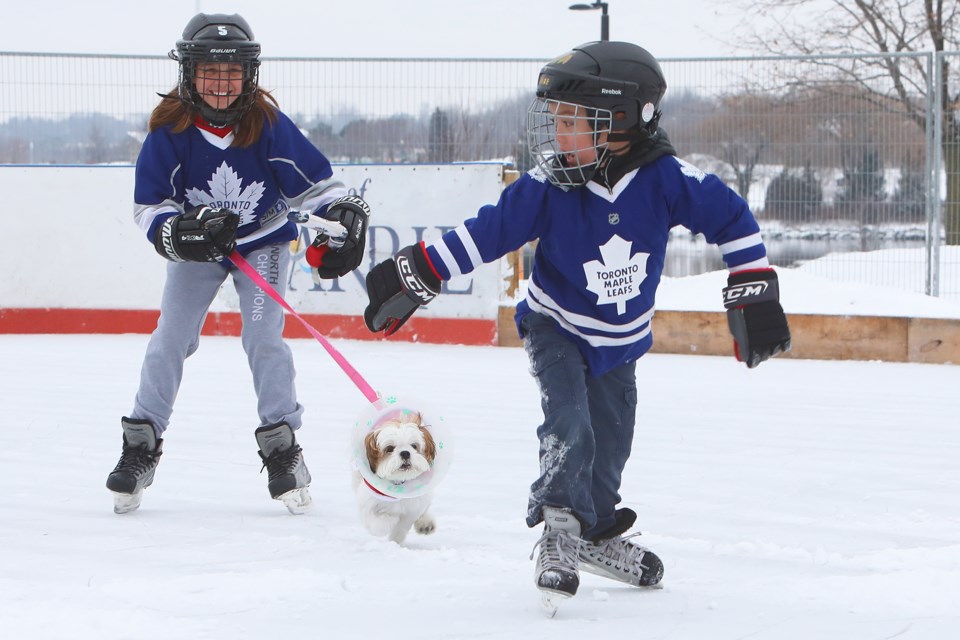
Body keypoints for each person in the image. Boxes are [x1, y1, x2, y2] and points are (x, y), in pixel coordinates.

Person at [362, 41, 791, 606]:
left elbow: (733, 218)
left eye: (573, 120)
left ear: (621, 119)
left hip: (623, 341)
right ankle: (560, 531)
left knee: (611, 441)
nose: (559, 133)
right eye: (556, 120)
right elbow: (491, 230)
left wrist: (752, 289)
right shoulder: (551, 182)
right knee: (570, 424)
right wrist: (421, 268)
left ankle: (595, 531)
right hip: (553, 326)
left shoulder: (667, 179)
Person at [105, 13, 370, 515]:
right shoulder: (169, 132)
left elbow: (318, 188)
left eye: (231, 73)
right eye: (210, 71)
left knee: (263, 336)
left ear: (249, 75)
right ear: (188, 72)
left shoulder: (267, 125)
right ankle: (141, 443)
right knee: (171, 335)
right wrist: (177, 231)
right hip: (199, 250)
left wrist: (340, 213)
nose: (221, 84)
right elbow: (149, 206)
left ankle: (282, 448)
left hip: (264, 243)